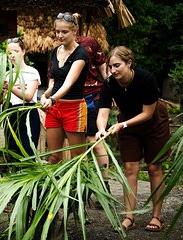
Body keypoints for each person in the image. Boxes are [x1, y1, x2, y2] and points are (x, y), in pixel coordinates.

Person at [96, 46, 170, 232]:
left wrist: (123, 125)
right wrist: (101, 130)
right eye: (110, 66)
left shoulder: (146, 79)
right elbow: (103, 111)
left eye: (117, 65)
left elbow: (147, 113)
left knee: (154, 167)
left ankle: (156, 217)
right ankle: (129, 217)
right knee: (130, 168)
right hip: (128, 123)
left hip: (153, 122)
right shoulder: (110, 83)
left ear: (129, 63)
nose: (113, 70)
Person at [41, 12, 89, 163]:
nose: (60, 35)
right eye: (57, 31)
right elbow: (54, 80)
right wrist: (45, 95)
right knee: (54, 156)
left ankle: (80, 185)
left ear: (74, 32)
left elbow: (68, 83)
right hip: (55, 109)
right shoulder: (55, 51)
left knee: (77, 158)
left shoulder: (81, 54)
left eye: (64, 32)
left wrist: (52, 99)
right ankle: (53, 186)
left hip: (73, 108)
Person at [75, 18, 110, 190]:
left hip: (93, 97)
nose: (60, 34)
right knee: (79, 143)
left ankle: (104, 184)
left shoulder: (89, 43)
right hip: (73, 101)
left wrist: (112, 92)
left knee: (94, 139)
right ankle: (86, 185)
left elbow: (104, 69)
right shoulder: (58, 50)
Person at [3, 37, 41, 160]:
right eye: (9, 53)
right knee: (12, 151)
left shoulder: (32, 72)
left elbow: (29, 96)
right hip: (10, 114)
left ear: (23, 51)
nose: (12, 56)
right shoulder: (7, 74)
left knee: (28, 150)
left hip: (28, 113)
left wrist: (10, 87)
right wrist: (1, 91)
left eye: (16, 51)